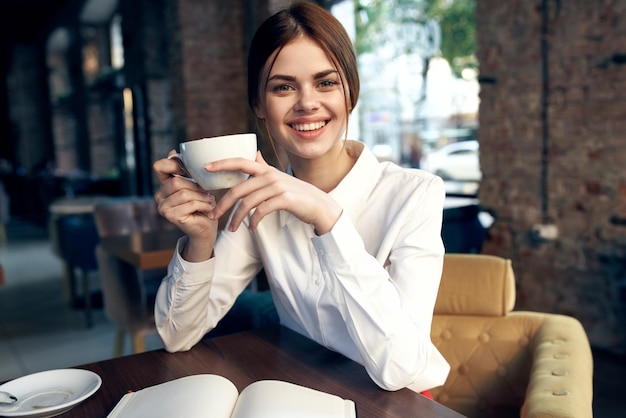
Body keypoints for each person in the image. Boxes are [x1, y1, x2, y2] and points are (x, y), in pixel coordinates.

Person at [152, 1, 450, 394]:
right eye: (283, 86)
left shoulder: (415, 195)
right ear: (259, 105)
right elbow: (177, 335)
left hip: (398, 404)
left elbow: (401, 369)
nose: (307, 102)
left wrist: (328, 219)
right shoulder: (257, 201)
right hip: (305, 389)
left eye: (326, 82)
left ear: (350, 94)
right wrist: (201, 241)